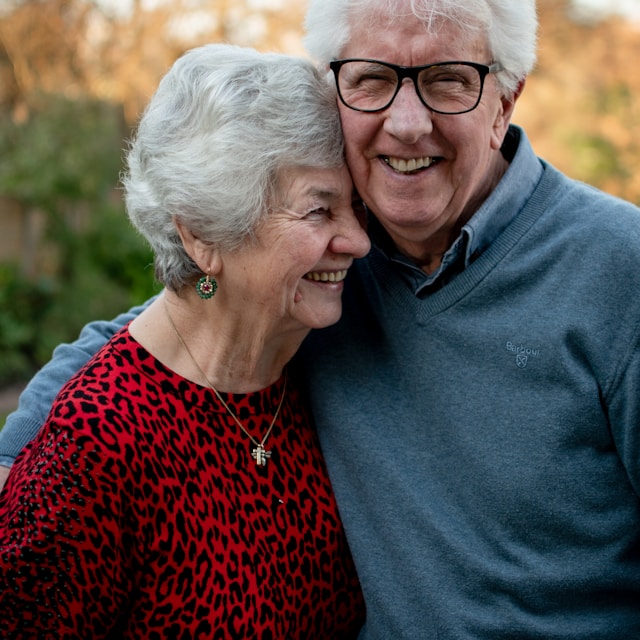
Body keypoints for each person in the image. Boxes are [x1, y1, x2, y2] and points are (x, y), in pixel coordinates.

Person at [3, 0, 640, 637]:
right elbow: (171, 323)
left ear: (505, 100)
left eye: (450, 79)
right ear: (339, 87)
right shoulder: (331, 266)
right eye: (374, 78)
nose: (408, 124)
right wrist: (22, 461)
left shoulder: (619, 271)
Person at [0, 43, 370, 638]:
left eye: (357, 209)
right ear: (201, 235)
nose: (358, 241)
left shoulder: (306, 362)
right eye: (320, 212)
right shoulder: (98, 444)